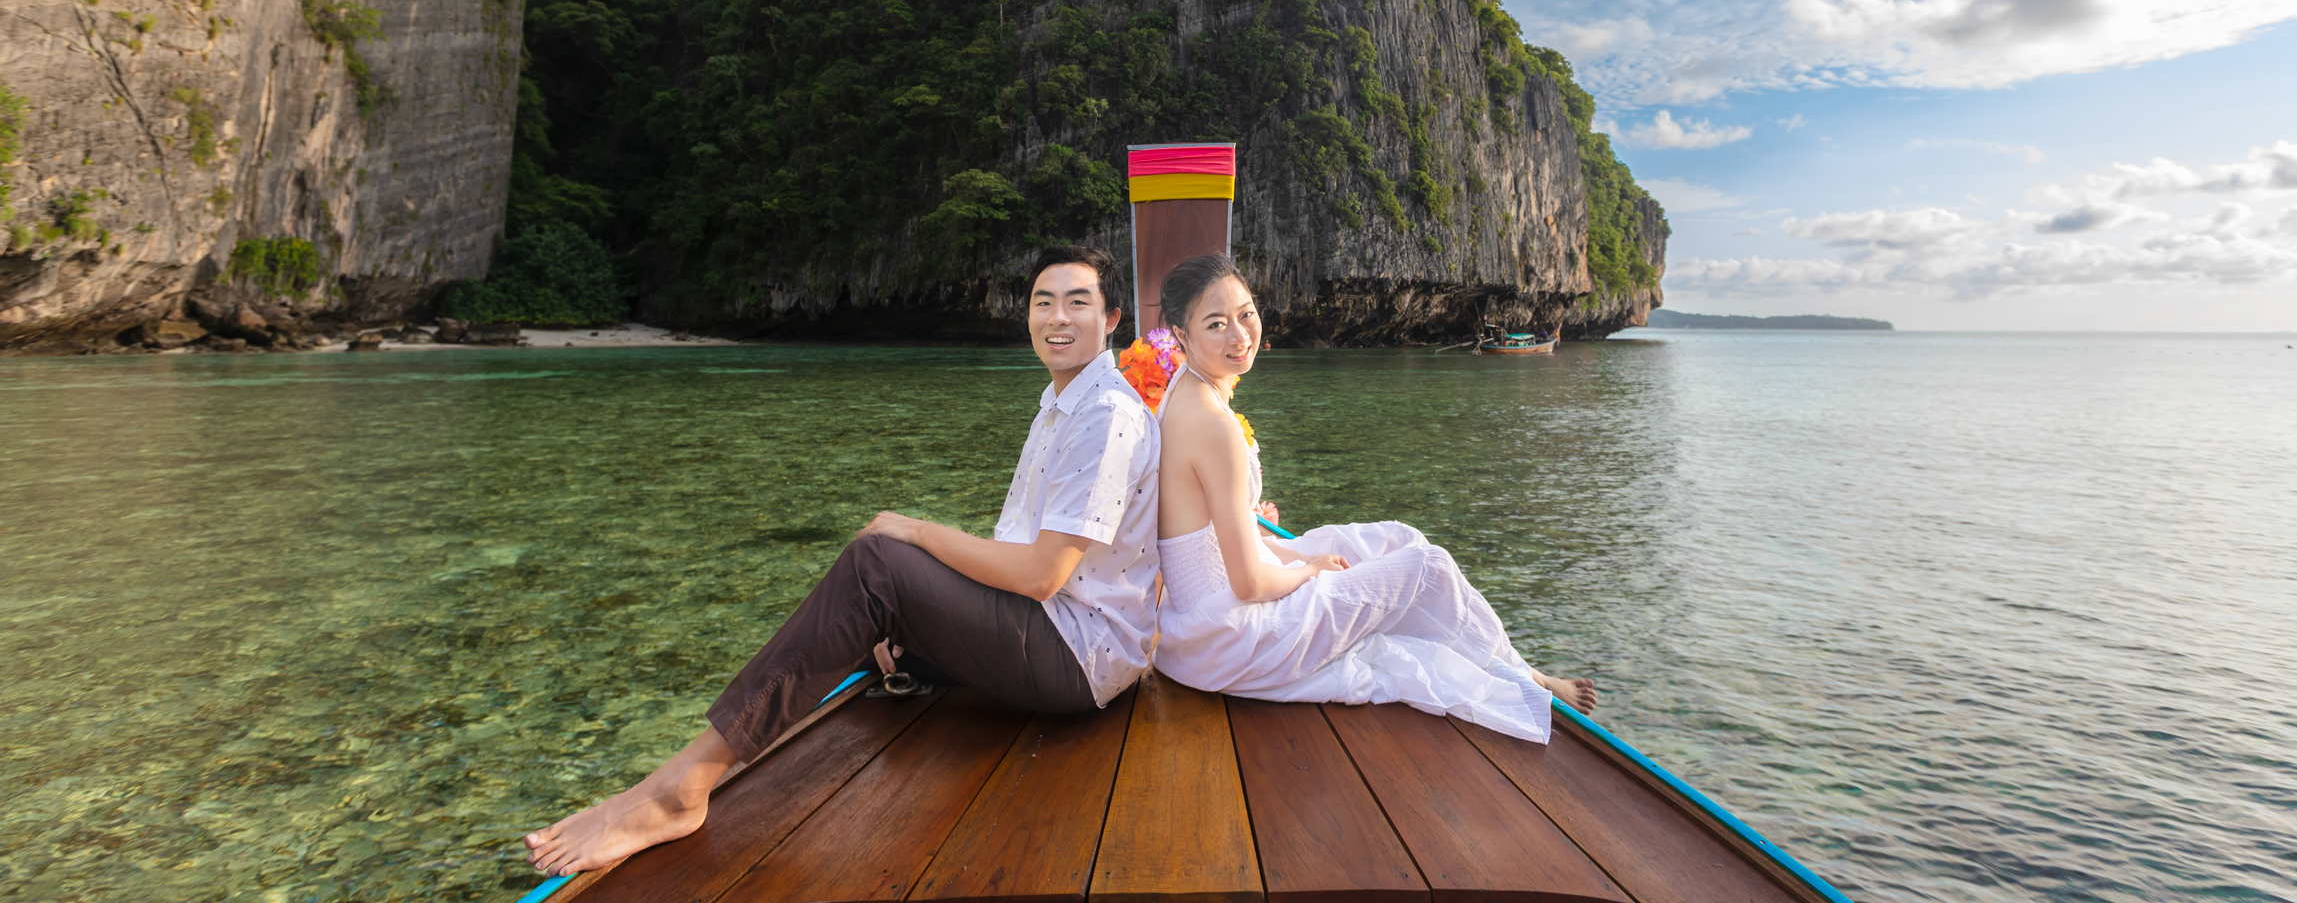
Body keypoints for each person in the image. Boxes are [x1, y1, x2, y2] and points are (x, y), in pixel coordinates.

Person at [525, 245, 1160, 877]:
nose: (1058, 317)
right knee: (876, 613)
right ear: (1025, 316)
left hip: (1077, 658)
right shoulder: (1065, 402)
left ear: (1111, 320)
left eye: (1078, 303)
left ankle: (680, 789)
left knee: (876, 565)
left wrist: (916, 529)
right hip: (1055, 633)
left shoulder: (1105, 415)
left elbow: (1039, 574)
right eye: (1043, 302)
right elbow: (1024, 558)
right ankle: (697, 764)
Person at [1150, 252, 1595, 743]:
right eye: (1217, 324)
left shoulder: (1184, 391)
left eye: (1246, 313)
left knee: (1400, 539)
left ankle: (1502, 660)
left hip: (1198, 623)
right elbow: (1250, 583)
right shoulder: (1215, 428)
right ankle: (1528, 679)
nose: (1239, 335)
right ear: (1181, 336)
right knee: (1428, 567)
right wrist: (1309, 570)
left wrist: (1298, 554)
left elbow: (1216, 535)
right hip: (1237, 637)